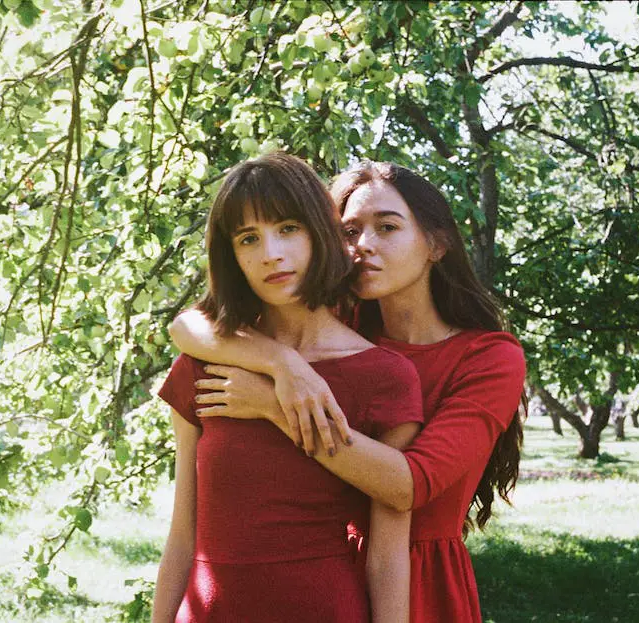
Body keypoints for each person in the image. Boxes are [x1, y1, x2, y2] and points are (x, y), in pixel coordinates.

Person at [168, 160, 527, 623]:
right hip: (324, 570)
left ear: (437, 244)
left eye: (387, 228)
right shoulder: (336, 331)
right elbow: (189, 325)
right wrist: (284, 364)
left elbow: (409, 484)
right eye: (351, 230)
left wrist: (275, 404)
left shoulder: (487, 357)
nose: (363, 247)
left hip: (418, 578)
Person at [151, 153, 424, 623]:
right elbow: (182, 534)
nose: (270, 253)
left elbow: (387, 557)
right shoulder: (204, 362)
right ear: (231, 255)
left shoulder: (385, 377)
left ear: (321, 231)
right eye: (248, 238)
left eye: (289, 228)